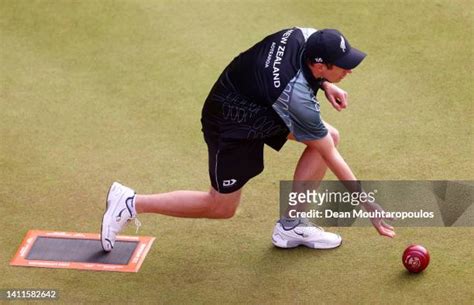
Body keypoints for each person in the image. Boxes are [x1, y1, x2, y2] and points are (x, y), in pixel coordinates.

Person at [100, 27, 395, 252]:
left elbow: (305, 72)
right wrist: (367, 204)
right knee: (221, 207)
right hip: (231, 119)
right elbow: (329, 154)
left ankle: (290, 226)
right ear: (318, 65)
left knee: (329, 134)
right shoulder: (296, 98)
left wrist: (325, 83)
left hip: (262, 102)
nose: (349, 69)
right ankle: (130, 202)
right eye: (341, 65)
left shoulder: (304, 36)